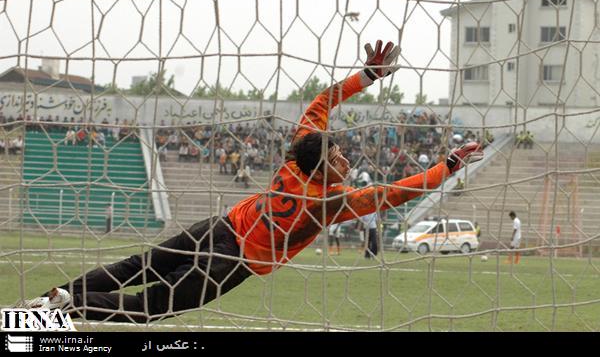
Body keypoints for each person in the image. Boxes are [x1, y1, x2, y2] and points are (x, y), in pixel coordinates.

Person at [23, 40, 483, 323]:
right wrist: (451, 164)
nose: (344, 157)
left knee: (137, 267)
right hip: (233, 258)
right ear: (321, 167)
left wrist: (365, 77)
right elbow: (399, 191)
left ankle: (58, 299)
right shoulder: (328, 202)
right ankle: (66, 308)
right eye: (337, 155)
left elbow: (319, 106)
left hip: (218, 226)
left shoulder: (295, 161)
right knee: (149, 307)